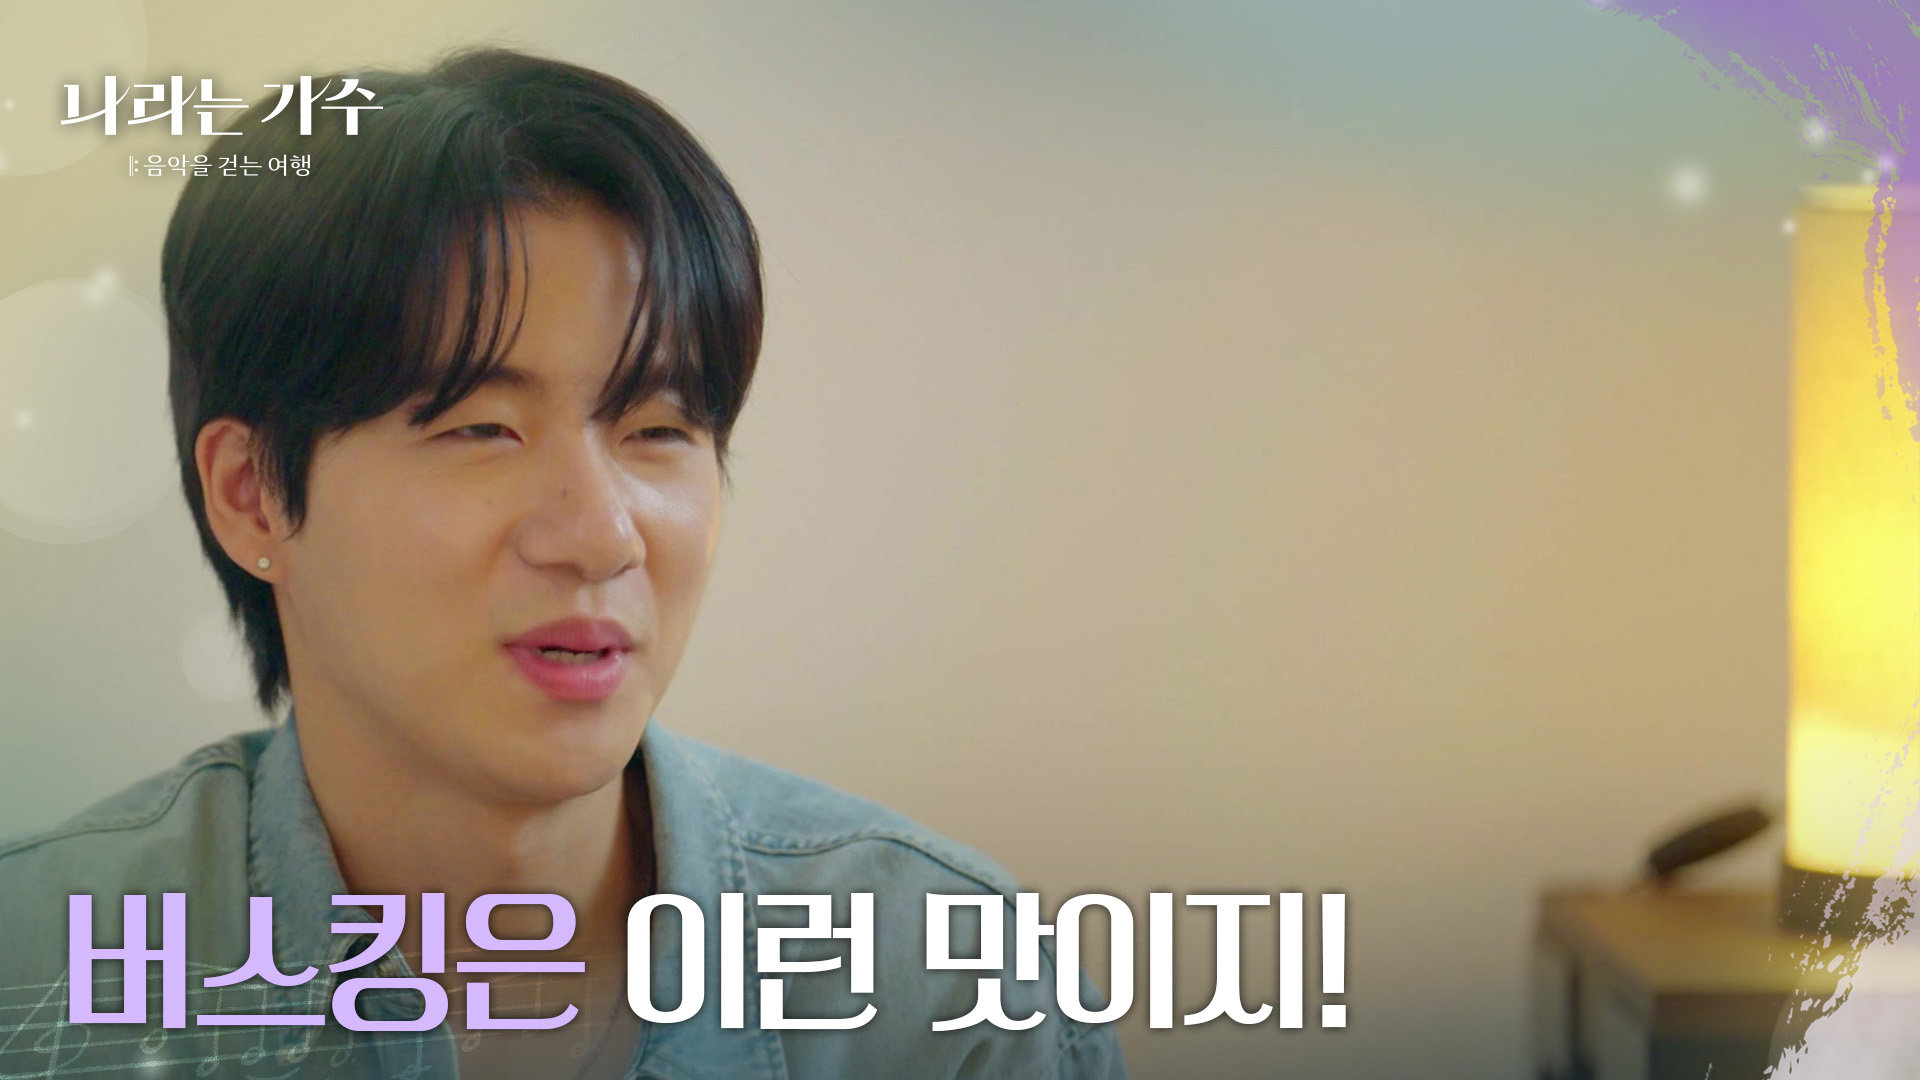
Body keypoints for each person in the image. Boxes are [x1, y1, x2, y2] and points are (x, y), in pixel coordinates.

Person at [0, 47, 1128, 1080]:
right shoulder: (38, 972)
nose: (601, 534)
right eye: (481, 428)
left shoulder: (945, 993)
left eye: (658, 429)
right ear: (251, 493)